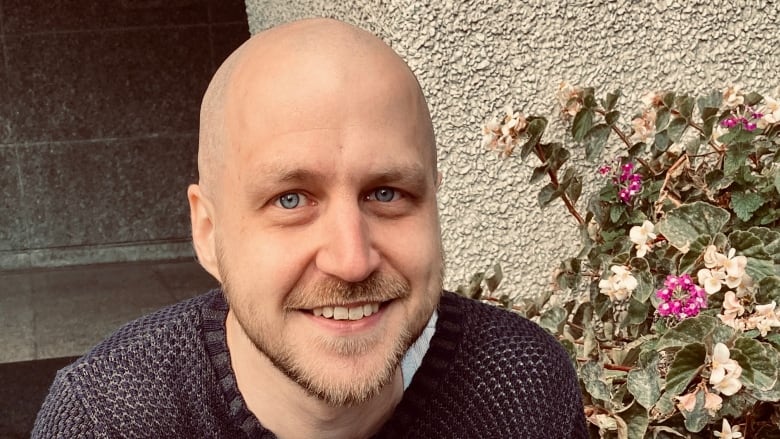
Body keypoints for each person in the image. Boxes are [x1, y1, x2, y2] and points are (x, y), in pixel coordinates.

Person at [33, 18, 587, 438]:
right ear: (207, 231)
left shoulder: (522, 388)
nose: (351, 260)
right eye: (290, 199)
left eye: (387, 193)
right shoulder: (108, 417)